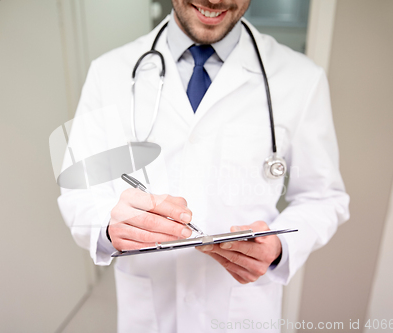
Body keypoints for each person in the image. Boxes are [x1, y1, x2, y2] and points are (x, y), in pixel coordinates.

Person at [58, 0, 350, 332]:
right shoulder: (109, 72)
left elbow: (323, 197)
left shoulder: (300, 79)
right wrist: (109, 227)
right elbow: (79, 191)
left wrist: (281, 248)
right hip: (150, 312)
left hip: (242, 311)